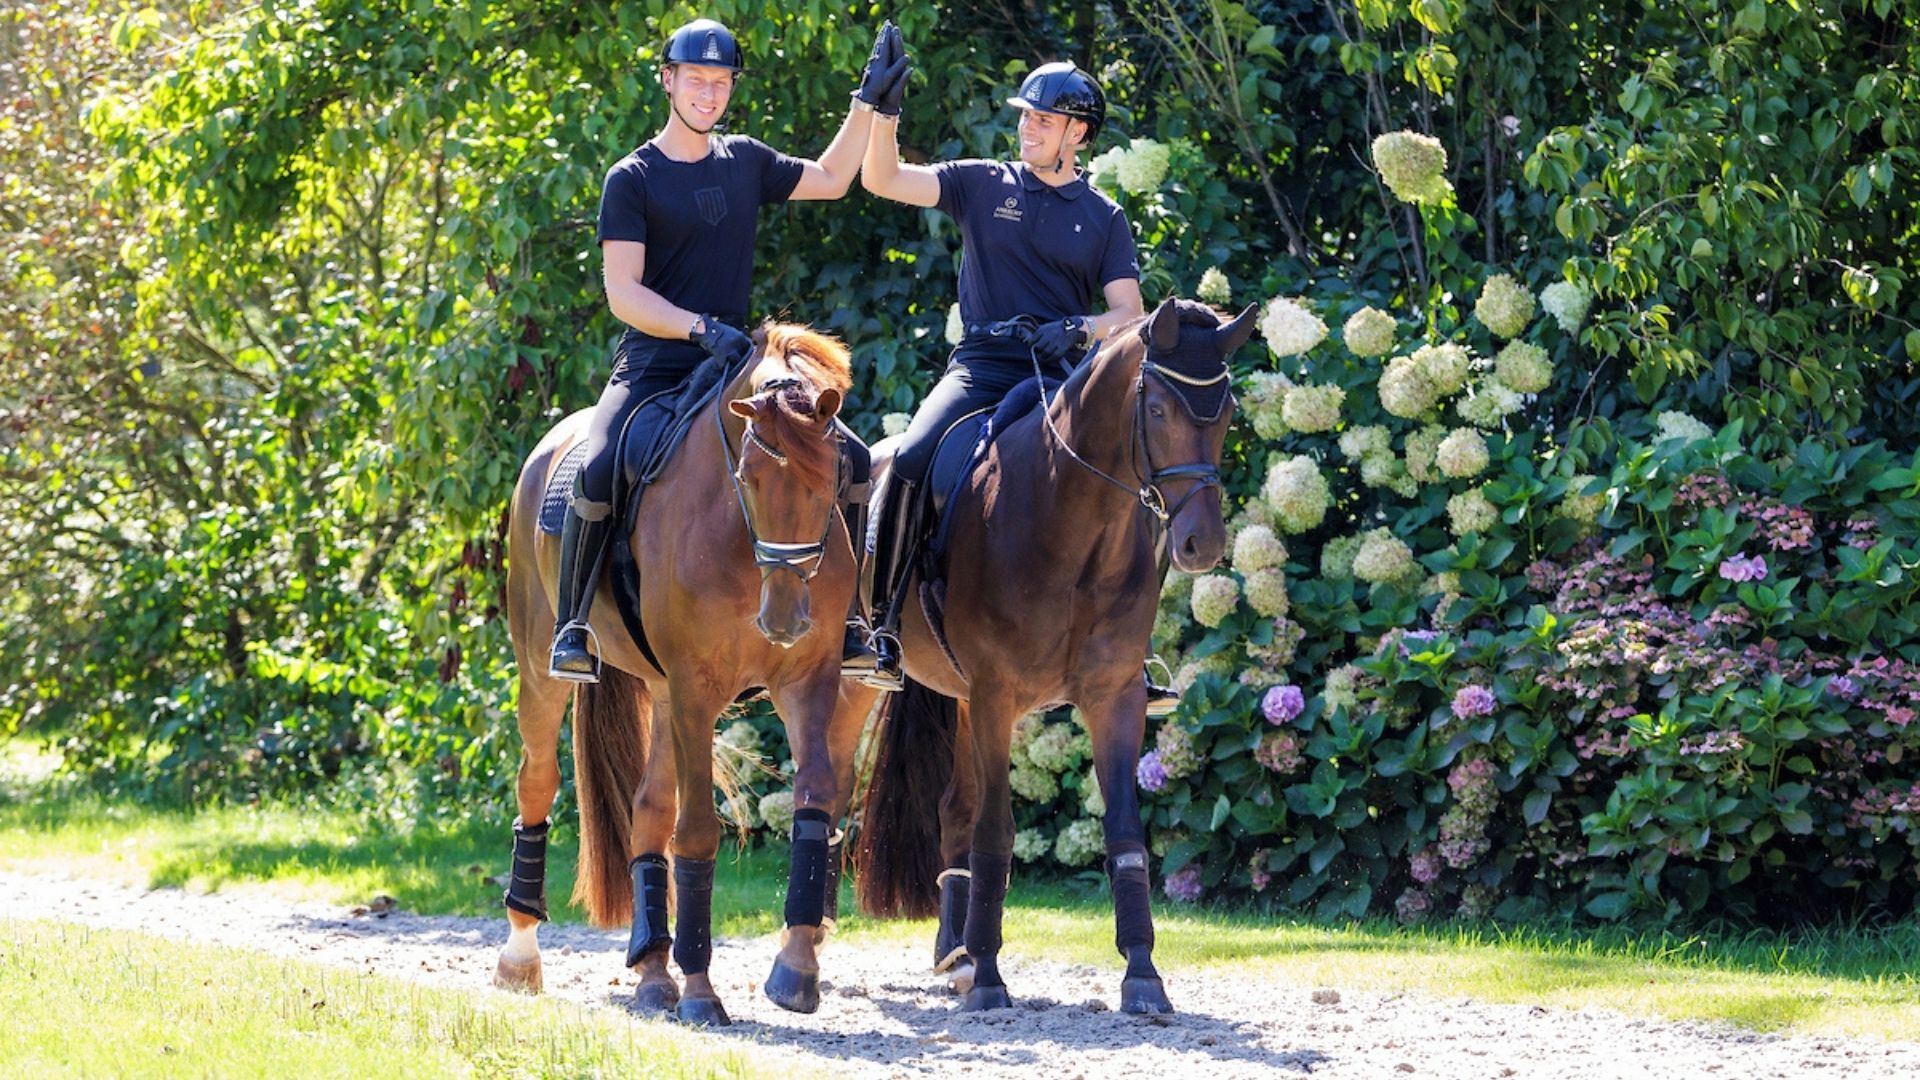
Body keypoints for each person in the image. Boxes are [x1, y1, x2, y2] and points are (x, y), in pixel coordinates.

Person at [549, 17, 910, 682]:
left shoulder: (744, 159)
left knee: (851, 457)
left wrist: (868, 106)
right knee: (598, 466)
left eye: (720, 82)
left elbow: (832, 178)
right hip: (657, 365)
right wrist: (694, 327)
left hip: (739, 369)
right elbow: (623, 294)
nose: (708, 94)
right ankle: (573, 624)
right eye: (696, 80)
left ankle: (857, 620)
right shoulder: (632, 178)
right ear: (668, 80)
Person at [861, 47, 1177, 712]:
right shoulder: (982, 183)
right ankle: (881, 625)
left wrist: (1079, 329)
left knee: (1135, 481)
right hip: (981, 367)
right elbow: (883, 178)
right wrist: (882, 111)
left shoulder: (1103, 216)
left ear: (1078, 133)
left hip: (1060, 376)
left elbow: (1130, 313)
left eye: (1042, 119)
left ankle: (1132, 649)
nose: (1027, 127)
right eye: (1026, 116)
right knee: (914, 455)